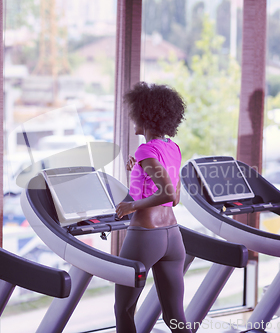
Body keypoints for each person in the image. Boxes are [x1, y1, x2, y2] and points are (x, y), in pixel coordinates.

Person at [114, 82, 191, 333]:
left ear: (144, 115)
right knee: (175, 316)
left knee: (124, 309)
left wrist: (130, 206)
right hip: (172, 236)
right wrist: (137, 169)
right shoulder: (172, 148)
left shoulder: (146, 149)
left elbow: (166, 192)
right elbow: (174, 198)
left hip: (146, 235)